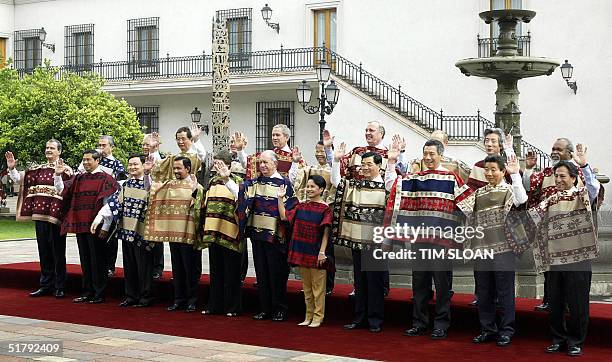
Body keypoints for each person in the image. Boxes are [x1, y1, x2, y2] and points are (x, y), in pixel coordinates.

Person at [385, 139, 474, 339]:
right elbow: (393, 187)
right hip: (420, 242)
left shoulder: (451, 179)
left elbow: (469, 205)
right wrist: (392, 162)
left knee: (443, 286)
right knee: (420, 284)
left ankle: (441, 324)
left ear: (441, 155)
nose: (428, 157)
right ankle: (419, 323)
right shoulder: (417, 179)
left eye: (432, 154)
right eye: (425, 153)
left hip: (443, 244)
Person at [527, 155, 599, 357]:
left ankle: (576, 341)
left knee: (577, 304)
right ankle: (558, 339)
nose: (558, 180)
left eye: (562, 176)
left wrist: (585, 165)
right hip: (554, 259)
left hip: (579, 259)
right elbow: (530, 217)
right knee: (556, 304)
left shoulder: (583, 195)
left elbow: (594, 187)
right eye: (556, 176)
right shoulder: (550, 199)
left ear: (574, 177)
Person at [523, 138, 600, 312]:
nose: (554, 151)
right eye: (553, 148)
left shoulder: (578, 173)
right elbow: (529, 187)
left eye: (559, 149)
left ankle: (567, 305)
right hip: (549, 232)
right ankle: (550, 300)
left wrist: (585, 166)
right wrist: (528, 170)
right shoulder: (546, 172)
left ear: (569, 153)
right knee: (551, 273)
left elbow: (592, 191)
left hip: (573, 235)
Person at [464, 154, 528, 347]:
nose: (490, 173)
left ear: (502, 171)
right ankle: (487, 329)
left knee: (504, 293)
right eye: (487, 170)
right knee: (483, 293)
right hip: (482, 250)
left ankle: (506, 330)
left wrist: (515, 175)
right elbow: (466, 212)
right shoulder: (478, 193)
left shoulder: (510, 191)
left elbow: (521, 199)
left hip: (503, 251)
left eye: (494, 170)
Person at [236, 150, 298, 322]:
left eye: (266, 162)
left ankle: (280, 308)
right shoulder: (254, 183)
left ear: (275, 164)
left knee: (277, 274)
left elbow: (292, 207)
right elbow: (240, 193)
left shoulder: (284, 183)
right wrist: (227, 178)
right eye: (260, 162)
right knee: (261, 273)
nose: (262, 165)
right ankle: (265, 308)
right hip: (257, 235)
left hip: (276, 238)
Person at [331, 146, 388, 333]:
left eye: (369, 164)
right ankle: (359, 317)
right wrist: (337, 161)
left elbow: (394, 180)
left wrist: (394, 160)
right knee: (360, 282)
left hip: (376, 243)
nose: (364, 168)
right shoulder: (356, 184)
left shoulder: (387, 185)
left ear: (379, 166)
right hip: (357, 240)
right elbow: (336, 182)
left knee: (375, 283)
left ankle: (375, 319)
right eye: (362, 164)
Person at [6, 140, 72, 298]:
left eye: (52, 148)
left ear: (59, 151)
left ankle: (60, 286)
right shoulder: (38, 169)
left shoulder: (66, 169)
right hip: (40, 215)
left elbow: (67, 190)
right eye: (47, 148)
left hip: (56, 217)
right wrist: (12, 168)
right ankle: (45, 285)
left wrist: (59, 173)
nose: (48, 150)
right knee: (44, 251)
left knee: (58, 252)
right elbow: (21, 180)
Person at [55, 149, 119, 304]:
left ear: (98, 161)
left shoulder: (106, 179)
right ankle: (87, 292)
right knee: (85, 259)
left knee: (98, 260)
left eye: (89, 160)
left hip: (97, 225)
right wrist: (57, 175)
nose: (85, 162)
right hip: (80, 224)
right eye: (84, 160)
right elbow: (61, 190)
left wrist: (105, 227)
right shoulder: (79, 178)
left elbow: (109, 204)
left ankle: (99, 293)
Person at [91, 153, 154, 308]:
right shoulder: (125, 184)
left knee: (144, 266)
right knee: (130, 265)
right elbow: (114, 202)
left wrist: (147, 173)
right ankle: (131, 296)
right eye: (130, 164)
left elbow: (149, 187)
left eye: (136, 164)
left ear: (144, 165)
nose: (132, 167)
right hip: (126, 230)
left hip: (142, 231)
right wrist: (100, 216)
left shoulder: (151, 182)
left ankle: (145, 297)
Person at [144, 156, 205, 313]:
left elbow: (200, 205)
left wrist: (195, 190)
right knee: (177, 269)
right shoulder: (169, 184)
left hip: (189, 235)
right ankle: (179, 299)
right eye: (174, 168)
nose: (176, 171)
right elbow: (151, 190)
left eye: (179, 168)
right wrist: (147, 174)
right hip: (173, 234)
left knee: (190, 269)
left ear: (188, 169)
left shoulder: (196, 186)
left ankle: (192, 300)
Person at [278, 175, 333, 328]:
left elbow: (326, 232)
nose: (309, 189)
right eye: (307, 186)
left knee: (318, 288)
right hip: (301, 251)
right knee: (307, 288)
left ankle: (318, 317)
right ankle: (308, 316)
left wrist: (322, 252)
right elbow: (284, 217)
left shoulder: (326, 209)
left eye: (312, 186)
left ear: (321, 189)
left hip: (316, 253)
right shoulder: (301, 206)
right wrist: (280, 199)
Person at [201, 151, 244, 317]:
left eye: (220, 164)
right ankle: (215, 305)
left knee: (231, 274)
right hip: (214, 233)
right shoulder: (212, 182)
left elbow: (241, 200)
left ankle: (233, 307)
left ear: (229, 165)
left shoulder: (238, 181)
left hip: (230, 234)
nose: (217, 167)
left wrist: (227, 179)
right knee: (216, 272)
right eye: (215, 163)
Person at [78, 135, 127, 278]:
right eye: (99, 145)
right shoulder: (92, 160)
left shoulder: (117, 165)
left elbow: (118, 187)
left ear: (112, 147)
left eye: (104, 145)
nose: (101, 148)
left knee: (109, 239)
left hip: (109, 205)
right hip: (91, 206)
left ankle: (110, 266)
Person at [234, 124, 305, 180]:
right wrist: (240, 150)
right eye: (273, 135)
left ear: (286, 137)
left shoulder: (295, 157)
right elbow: (247, 163)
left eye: (277, 135)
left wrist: (295, 162)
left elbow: (298, 182)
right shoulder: (268, 155)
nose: (274, 138)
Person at [142, 132, 166, 280]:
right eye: (143, 144)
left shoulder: (159, 160)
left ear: (156, 145)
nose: (144, 146)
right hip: (144, 200)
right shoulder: (141, 159)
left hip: (157, 201)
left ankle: (158, 267)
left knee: (156, 237)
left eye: (147, 144)